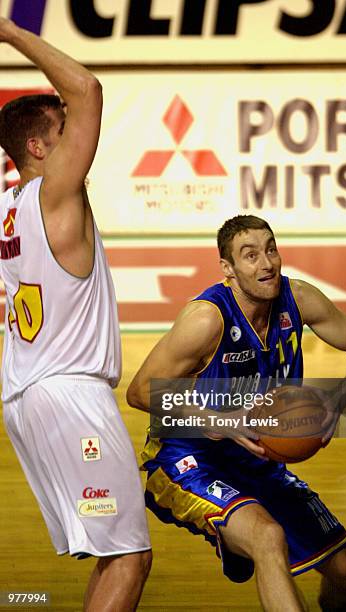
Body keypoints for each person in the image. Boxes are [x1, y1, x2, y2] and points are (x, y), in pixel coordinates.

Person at [127, 214, 346, 611]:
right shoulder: (206, 319)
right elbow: (140, 390)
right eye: (250, 256)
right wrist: (215, 419)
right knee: (268, 538)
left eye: (270, 249)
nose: (266, 263)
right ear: (228, 270)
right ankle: (240, 532)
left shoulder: (297, 298)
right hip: (189, 458)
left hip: (257, 461)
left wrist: (336, 403)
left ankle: (237, 535)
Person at [0, 19, 151, 612]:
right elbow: (87, 88)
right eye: (62, 134)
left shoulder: (8, 209)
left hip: (29, 402)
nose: (77, 143)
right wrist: (9, 31)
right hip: (70, 402)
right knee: (132, 557)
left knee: (116, 551)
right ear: (39, 148)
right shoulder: (51, 194)